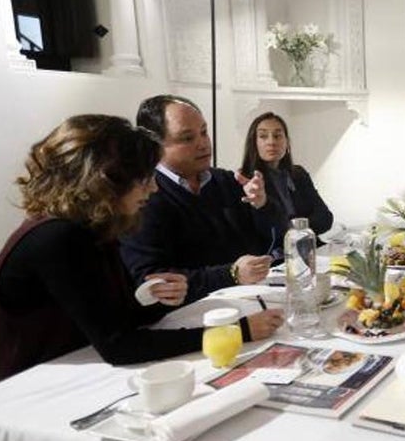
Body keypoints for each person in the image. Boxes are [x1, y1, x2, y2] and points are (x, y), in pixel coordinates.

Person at [0, 115, 283, 390]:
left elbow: (114, 314)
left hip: (79, 363)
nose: (153, 189)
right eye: (144, 179)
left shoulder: (93, 225)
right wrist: (237, 331)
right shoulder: (58, 238)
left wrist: (153, 297)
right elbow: (119, 345)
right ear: (105, 183)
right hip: (24, 387)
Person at [120, 95, 290, 303]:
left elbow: (279, 236)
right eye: (187, 138)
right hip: (195, 314)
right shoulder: (143, 197)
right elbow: (152, 283)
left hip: (254, 298)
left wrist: (262, 204)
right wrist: (231, 274)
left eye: (204, 132)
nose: (203, 144)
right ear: (156, 145)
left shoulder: (226, 180)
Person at [239, 112, 333, 237]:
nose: (271, 142)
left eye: (277, 136)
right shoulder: (247, 180)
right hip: (272, 254)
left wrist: (292, 230)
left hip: (307, 248)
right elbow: (260, 230)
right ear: (253, 143)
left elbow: (325, 218)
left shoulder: (298, 174)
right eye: (263, 136)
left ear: (287, 142)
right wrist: (302, 227)